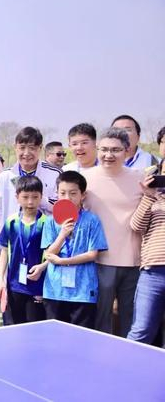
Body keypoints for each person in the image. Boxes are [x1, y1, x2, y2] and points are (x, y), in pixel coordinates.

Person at [81, 128, 143, 336]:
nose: (109, 155)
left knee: (130, 320)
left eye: (115, 150)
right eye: (104, 149)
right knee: (101, 318)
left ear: (127, 151)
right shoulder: (85, 178)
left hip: (134, 261)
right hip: (98, 260)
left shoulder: (140, 178)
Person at [40, 171, 108, 328]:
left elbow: (92, 254)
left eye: (73, 193)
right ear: (57, 194)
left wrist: (64, 261)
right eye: (62, 193)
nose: (67, 198)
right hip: (54, 290)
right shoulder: (50, 221)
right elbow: (49, 253)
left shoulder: (92, 220)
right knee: (54, 334)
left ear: (83, 195)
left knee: (81, 337)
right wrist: (62, 234)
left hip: (83, 292)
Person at [0, 127, 61, 265]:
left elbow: (60, 208)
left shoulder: (54, 174)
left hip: (45, 241)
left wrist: (36, 198)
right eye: (22, 148)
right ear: (15, 148)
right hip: (14, 242)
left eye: (32, 148)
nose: (26, 153)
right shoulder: (6, 176)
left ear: (40, 148)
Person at [0, 176, 48, 324]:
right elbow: (4, 251)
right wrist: (0, 279)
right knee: (13, 326)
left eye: (35, 197)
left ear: (41, 197)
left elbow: (52, 253)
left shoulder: (46, 223)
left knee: (34, 326)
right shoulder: (11, 222)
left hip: (37, 286)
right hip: (14, 285)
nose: (30, 202)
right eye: (25, 197)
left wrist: (42, 267)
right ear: (17, 197)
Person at [127, 161, 165, 343]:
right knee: (141, 330)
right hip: (152, 273)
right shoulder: (152, 199)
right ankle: (127, 362)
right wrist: (149, 196)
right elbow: (136, 226)